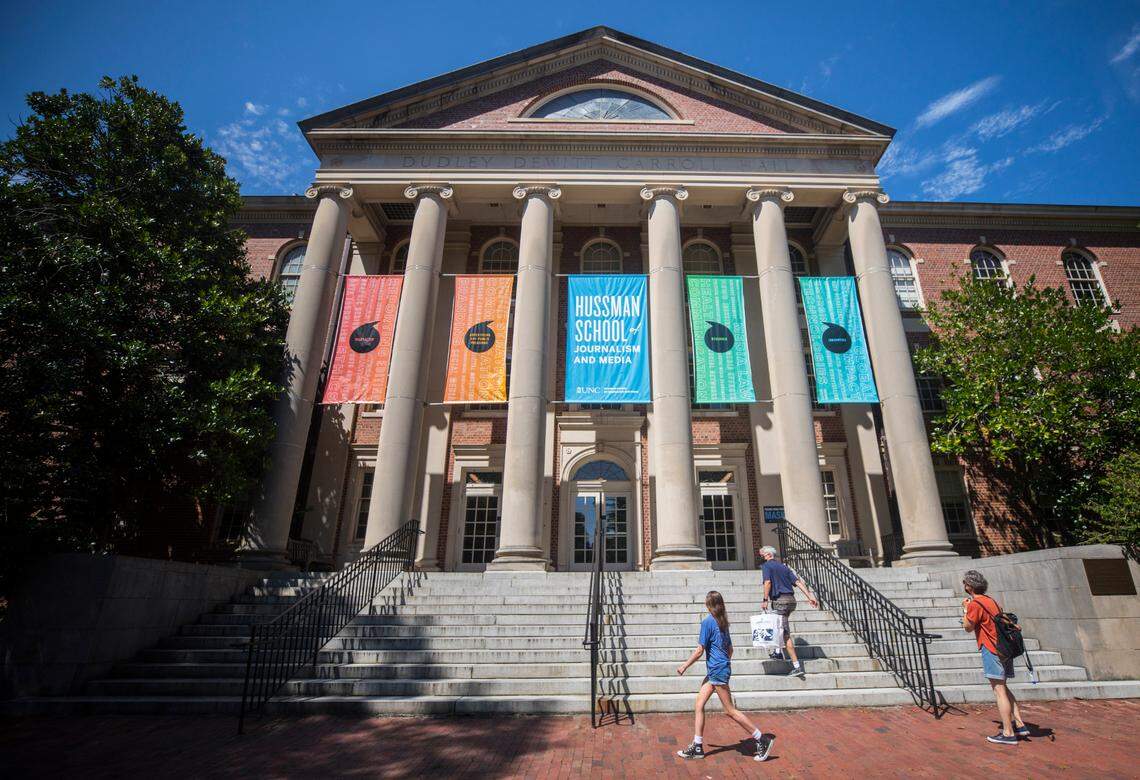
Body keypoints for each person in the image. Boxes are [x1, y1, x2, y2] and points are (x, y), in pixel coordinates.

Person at [676, 591, 774, 762]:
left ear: (709, 605)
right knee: (699, 704)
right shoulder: (722, 622)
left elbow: (700, 650)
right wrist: (722, 664)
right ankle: (697, 746)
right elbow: (730, 650)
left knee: (729, 710)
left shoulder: (707, 622)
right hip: (718, 669)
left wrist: (684, 665)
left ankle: (762, 739)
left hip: (717, 671)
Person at [961, 569, 1030, 745]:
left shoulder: (975, 604)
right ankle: (1020, 725)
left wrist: (965, 609)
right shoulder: (991, 601)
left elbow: (968, 627)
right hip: (1004, 648)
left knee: (999, 691)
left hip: (991, 648)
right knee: (1004, 688)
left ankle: (1007, 733)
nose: (964, 586)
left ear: (969, 586)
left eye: (964, 584)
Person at [759, 545, 818, 678]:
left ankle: (796, 666)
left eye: (763, 555)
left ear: (768, 555)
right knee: (780, 627)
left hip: (780, 602)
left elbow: (767, 582)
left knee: (785, 634)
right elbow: (797, 582)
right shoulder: (785, 567)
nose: (762, 557)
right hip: (791, 601)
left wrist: (765, 599)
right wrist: (810, 596)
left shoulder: (767, 566)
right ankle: (778, 652)